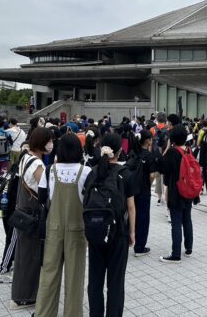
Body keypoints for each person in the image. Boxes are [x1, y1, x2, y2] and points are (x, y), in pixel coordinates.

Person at [35, 133, 90, 317]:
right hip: (78, 228)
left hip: (53, 227)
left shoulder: (50, 170)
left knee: (49, 273)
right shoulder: (86, 171)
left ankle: (44, 313)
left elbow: (42, 198)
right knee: (75, 276)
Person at [86, 132, 137, 316]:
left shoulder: (93, 172)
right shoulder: (126, 174)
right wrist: (132, 232)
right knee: (116, 281)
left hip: (95, 233)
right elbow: (130, 207)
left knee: (95, 280)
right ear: (120, 151)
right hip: (118, 233)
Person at [10, 127, 53, 309]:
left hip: (23, 211)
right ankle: (24, 296)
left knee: (24, 253)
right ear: (41, 143)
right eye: (49, 141)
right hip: (33, 214)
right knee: (31, 255)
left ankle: (21, 293)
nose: (51, 144)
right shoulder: (37, 164)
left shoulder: (25, 157)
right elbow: (44, 190)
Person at [159, 125, 194, 263]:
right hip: (189, 190)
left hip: (176, 190)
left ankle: (176, 254)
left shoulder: (173, 152)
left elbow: (162, 167)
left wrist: (167, 148)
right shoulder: (188, 150)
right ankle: (188, 248)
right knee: (187, 219)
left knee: (176, 222)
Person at [131, 129, 156, 256]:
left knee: (130, 215)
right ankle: (140, 247)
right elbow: (152, 175)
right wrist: (149, 184)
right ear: (148, 141)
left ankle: (128, 241)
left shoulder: (133, 153)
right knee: (143, 218)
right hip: (144, 190)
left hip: (131, 190)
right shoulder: (149, 156)